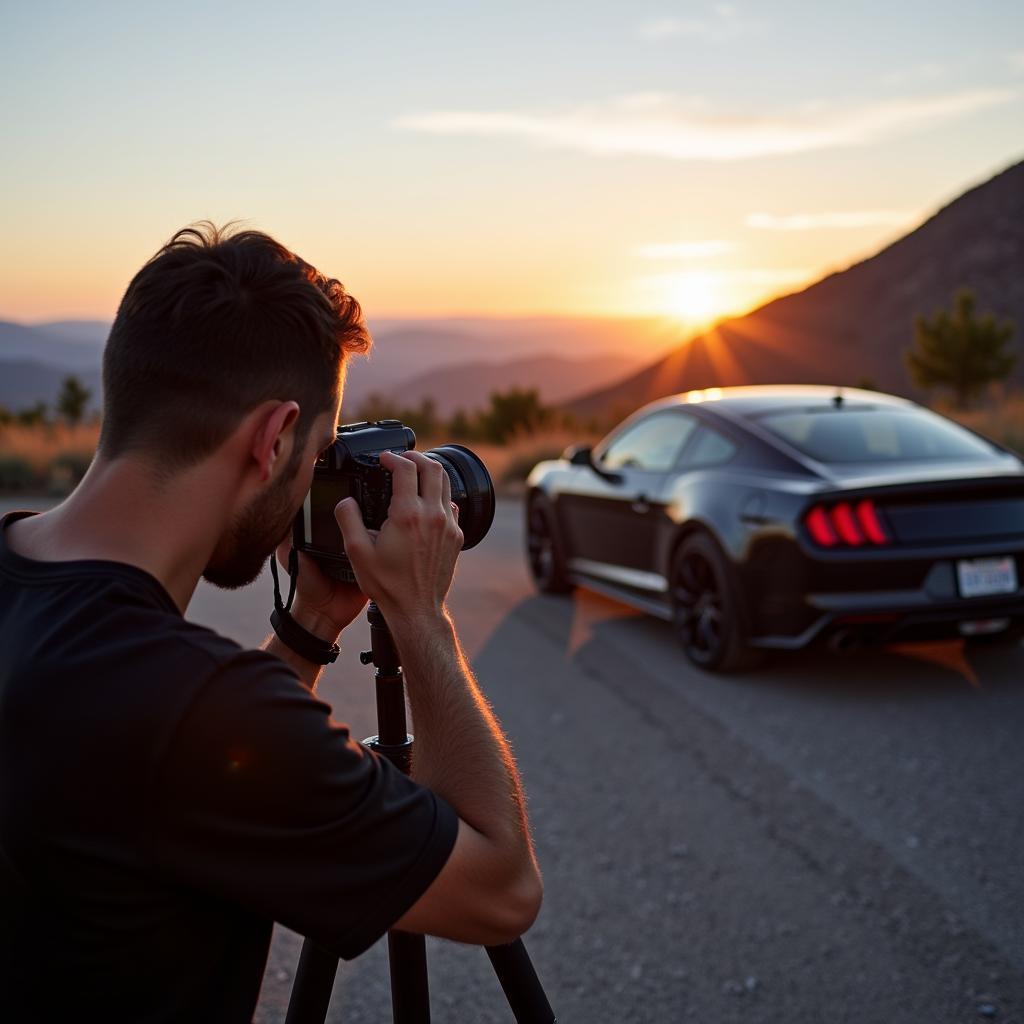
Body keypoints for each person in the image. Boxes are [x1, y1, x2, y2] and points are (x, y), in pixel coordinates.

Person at [0, 223, 542, 1022]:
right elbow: (501, 891)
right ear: (274, 436)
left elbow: (187, 771)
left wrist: (310, 623)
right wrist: (421, 616)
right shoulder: (191, 704)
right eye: (316, 455)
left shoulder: (59, 619)